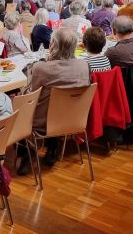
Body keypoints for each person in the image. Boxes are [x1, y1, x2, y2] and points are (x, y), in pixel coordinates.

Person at [23, 28, 91, 171]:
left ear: (52, 44)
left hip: (44, 123)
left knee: (24, 105)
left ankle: (26, 156)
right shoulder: (84, 66)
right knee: (52, 105)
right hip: (74, 119)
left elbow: (32, 95)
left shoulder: (41, 68)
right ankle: (52, 148)